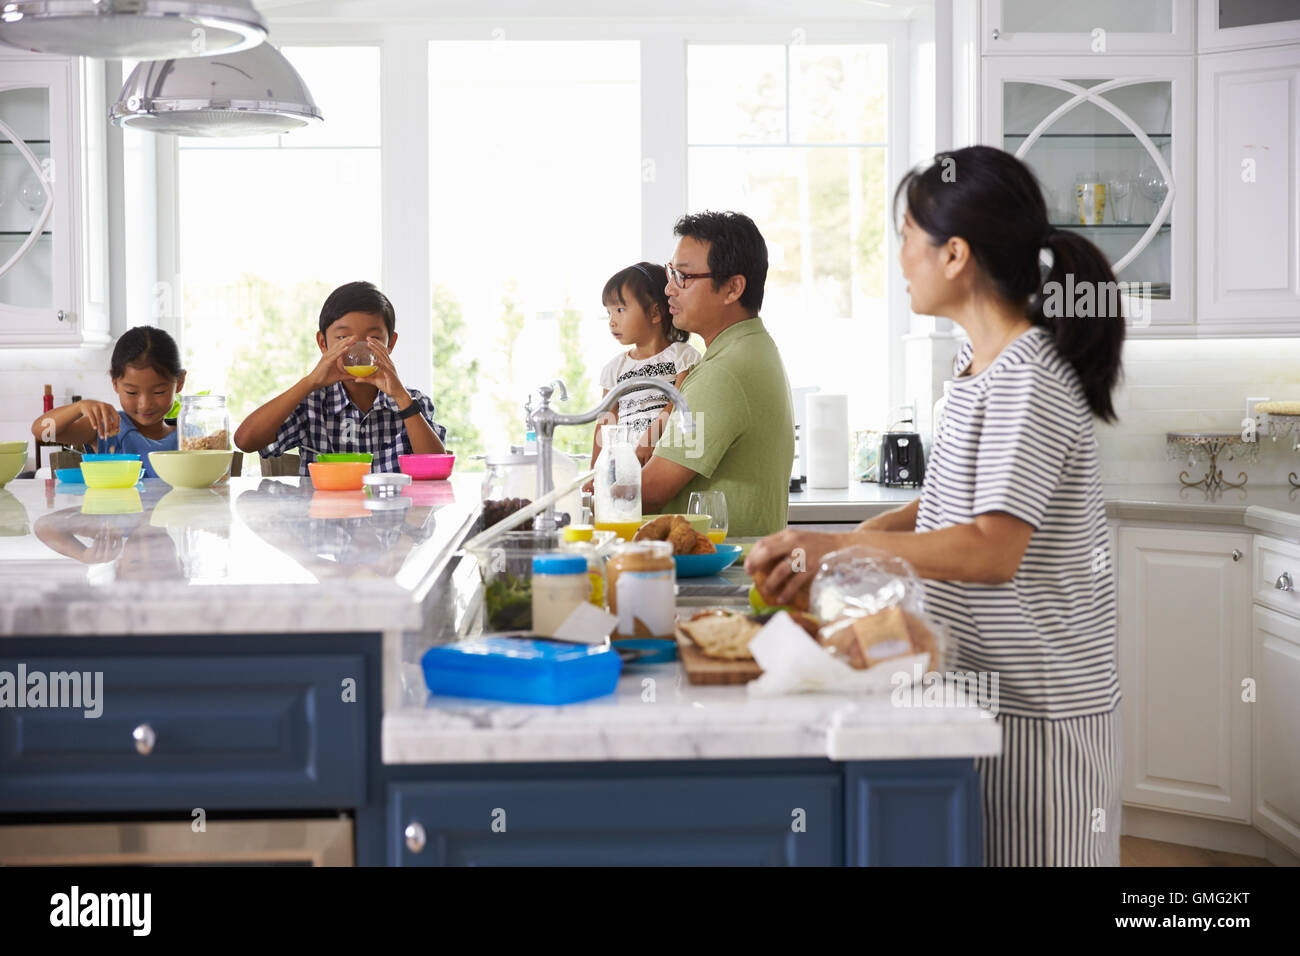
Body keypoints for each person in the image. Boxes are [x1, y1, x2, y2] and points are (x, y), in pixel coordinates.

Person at [746, 145, 1126, 866]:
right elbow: (959, 502)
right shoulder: (978, 369)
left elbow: (991, 546)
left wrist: (838, 547)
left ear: (954, 254)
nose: (899, 259)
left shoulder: (1028, 376)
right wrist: (877, 527)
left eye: (907, 238)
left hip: (1037, 707)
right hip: (979, 689)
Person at [642, 211, 795, 537]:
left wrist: (583, 496)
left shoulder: (723, 372)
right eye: (671, 273)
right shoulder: (754, 348)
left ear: (732, 288)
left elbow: (650, 490)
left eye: (683, 277)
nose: (669, 289)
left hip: (718, 575)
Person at [234, 281, 446, 474]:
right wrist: (310, 382)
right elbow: (245, 441)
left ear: (390, 344)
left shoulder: (410, 402)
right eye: (343, 337)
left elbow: (436, 468)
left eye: (374, 338)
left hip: (395, 514)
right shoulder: (312, 404)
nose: (358, 349)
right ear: (323, 343)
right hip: (324, 515)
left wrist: (401, 397)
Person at [585, 261, 700, 491]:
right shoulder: (614, 368)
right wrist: (593, 475)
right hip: (624, 467)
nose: (612, 321)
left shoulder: (682, 356)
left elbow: (677, 404)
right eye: (608, 312)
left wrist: (652, 436)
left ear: (655, 312)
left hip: (663, 461)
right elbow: (606, 424)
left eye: (620, 310)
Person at [31, 326, 186, 480]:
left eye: (158, 392)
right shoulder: (106, 428)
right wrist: (78, 407)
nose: (145, 404)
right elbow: (42, 432)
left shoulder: (190, 438)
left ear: (179, 382)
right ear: (114, 382)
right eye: (132, 392)